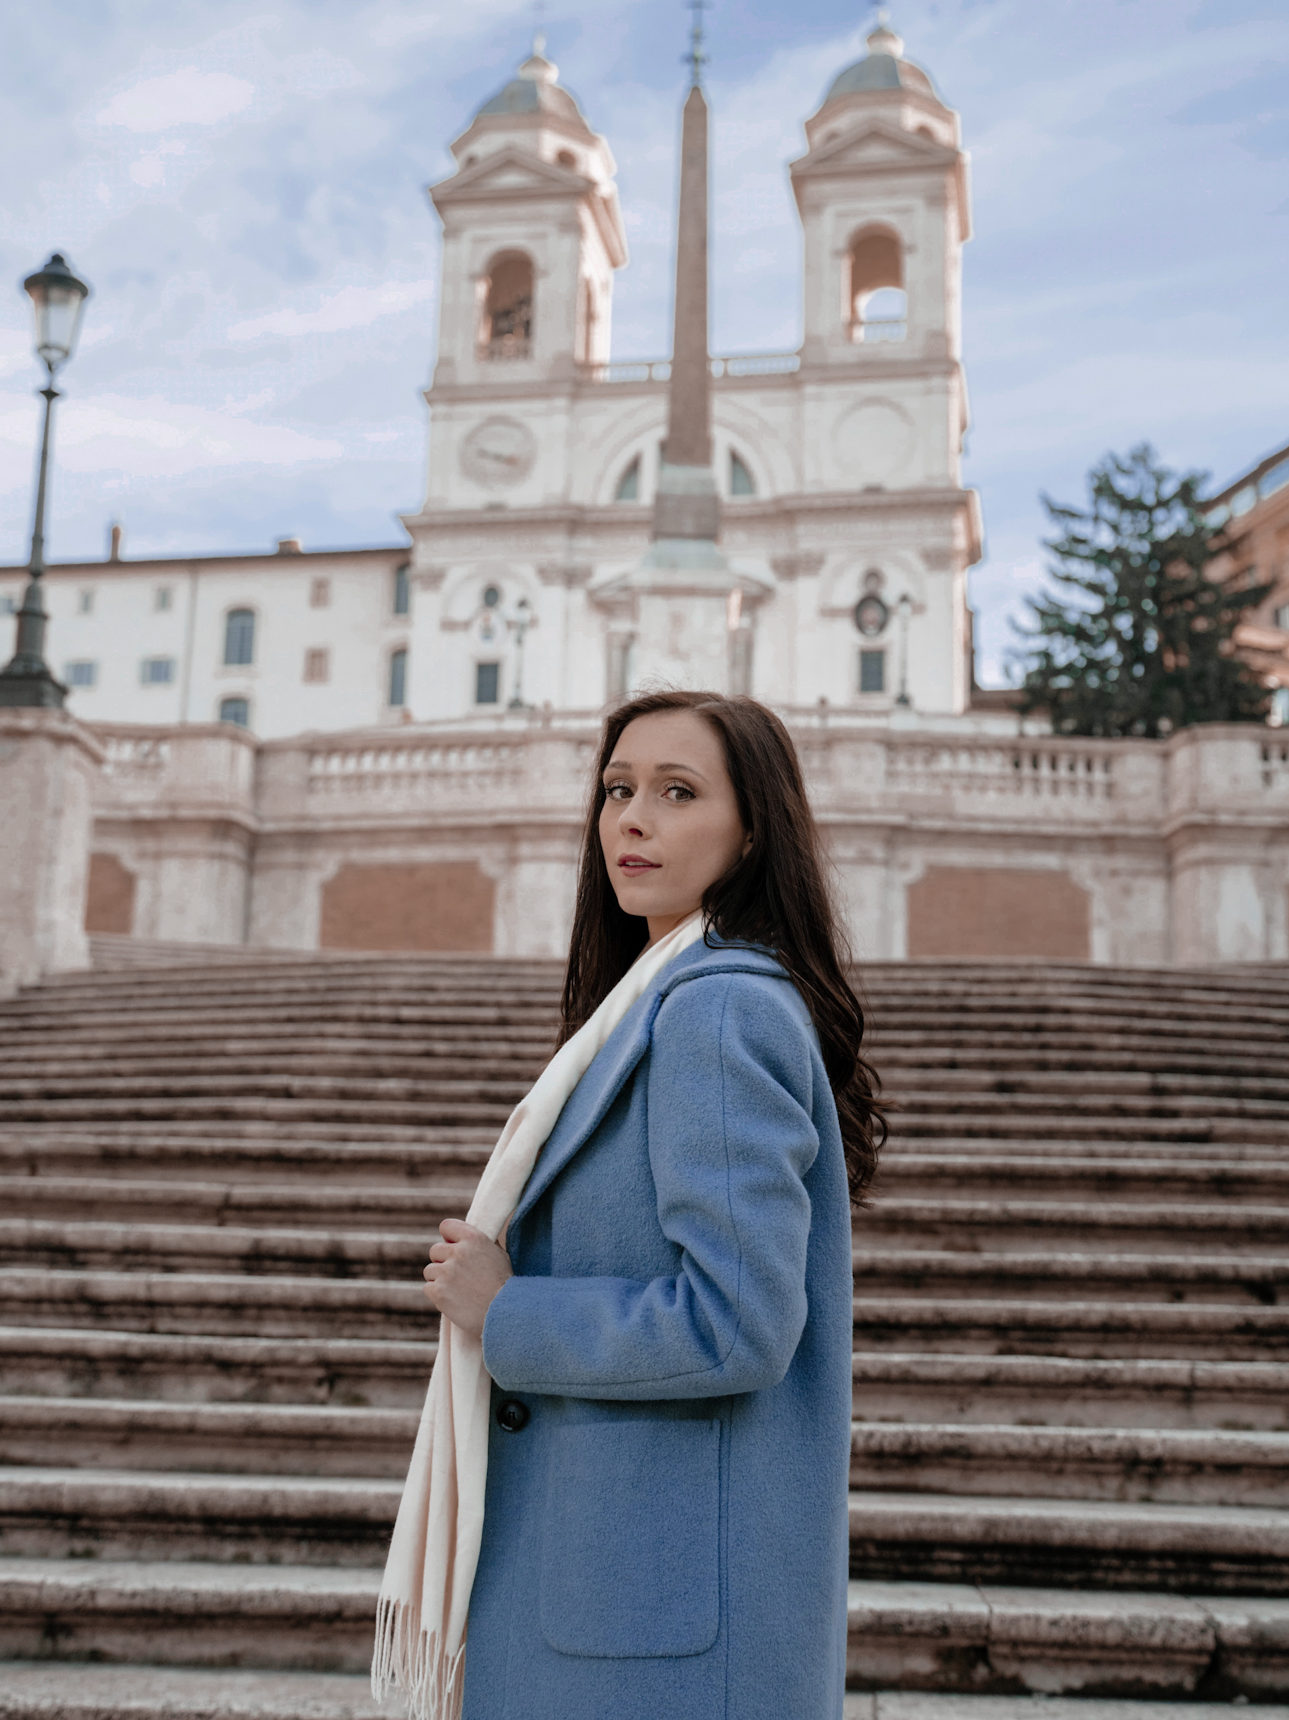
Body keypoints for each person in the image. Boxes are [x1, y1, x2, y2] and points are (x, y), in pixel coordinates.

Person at [417, 688, 884, 1720]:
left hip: (651, 1630)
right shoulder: (660, 1000)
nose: (631, 817)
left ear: (751, 826)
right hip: (631, 1601)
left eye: (677, 792)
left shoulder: (714, 1010)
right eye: (618, 787)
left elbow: (736, 1324)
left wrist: (508, 1313)